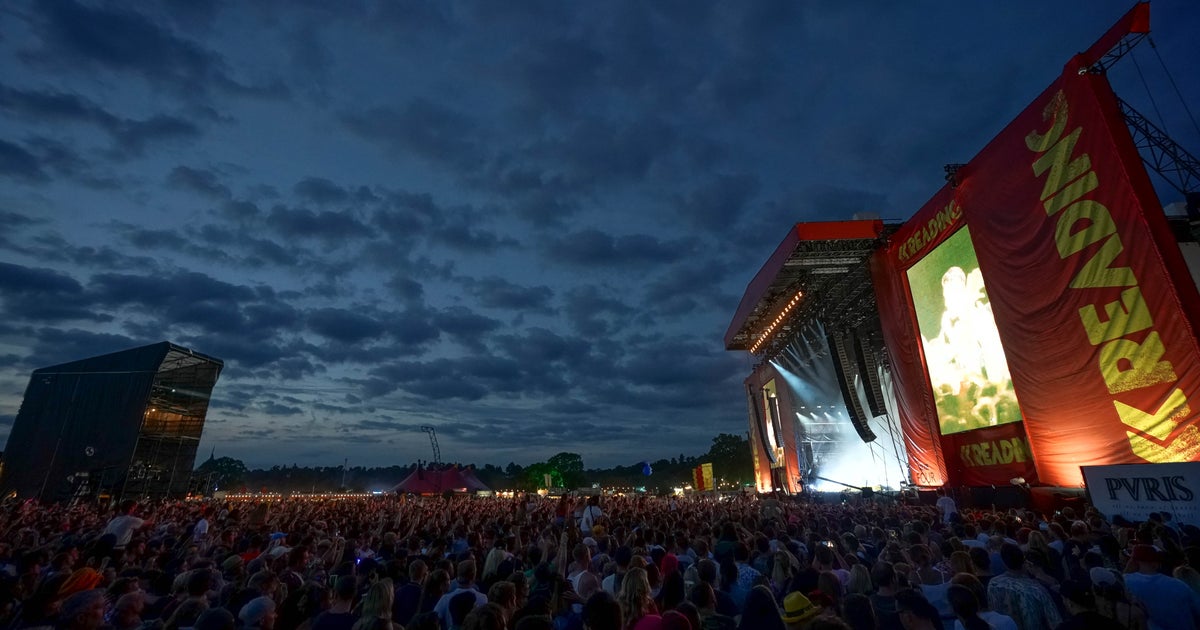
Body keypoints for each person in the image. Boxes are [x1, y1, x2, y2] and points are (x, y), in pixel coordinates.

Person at [1123, 544, 1200, 630]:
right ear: (1156, 563)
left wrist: (1126, 572)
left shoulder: (1126, 584)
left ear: (1133, 561)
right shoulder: (1179, 585)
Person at [986, 544, 1061, 630]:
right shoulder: (1036, 589)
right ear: (1024, 561)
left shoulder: (994, 583)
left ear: (1004, 562)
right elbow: (1055, 621)